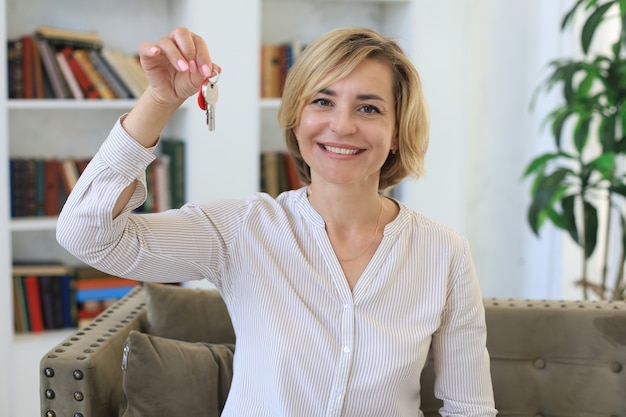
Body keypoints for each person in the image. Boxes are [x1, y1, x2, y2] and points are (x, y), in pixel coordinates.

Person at [57, 26, 497, 417]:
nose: (342, 126)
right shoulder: (243, 229)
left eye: (369, 108)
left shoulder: (444, 251)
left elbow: (469, 407)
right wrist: (160, 100)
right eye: (322, 101)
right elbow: (87, 234)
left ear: (398, 130)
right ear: (296, 117)